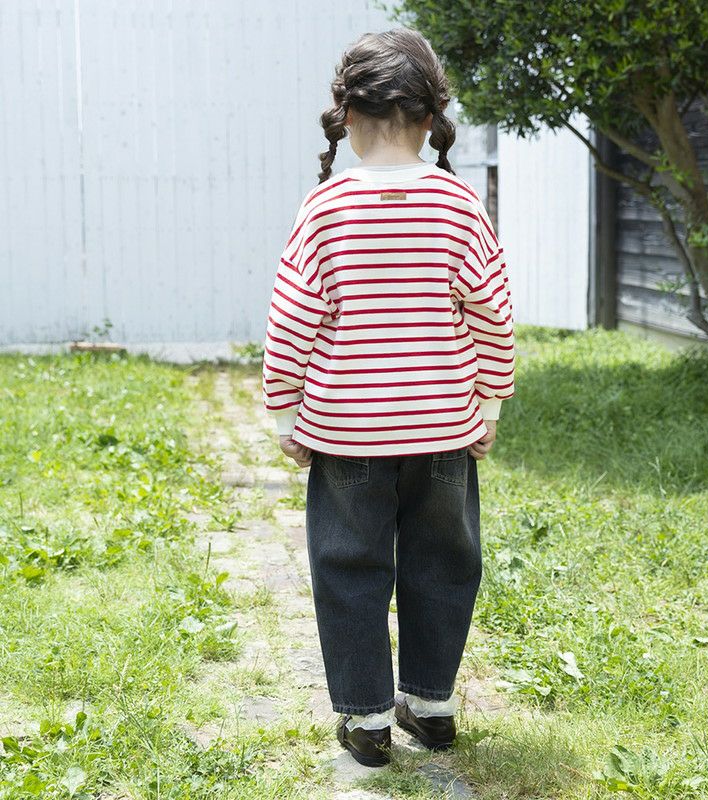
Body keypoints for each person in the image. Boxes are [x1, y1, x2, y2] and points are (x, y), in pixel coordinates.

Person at [262, 27, 515, 768]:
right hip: (443, 432)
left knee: (349, 568)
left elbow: (291, 319)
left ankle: (368, 719)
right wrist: (489, 405)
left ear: (346, 115)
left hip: (347, 435)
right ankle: (431, 706)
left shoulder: (326, 208)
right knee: (444, 563)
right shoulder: (460, 205)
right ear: (432, 117)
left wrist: (285, 412)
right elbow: (493, 313)